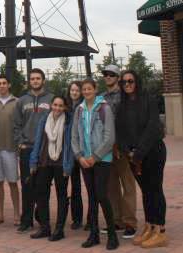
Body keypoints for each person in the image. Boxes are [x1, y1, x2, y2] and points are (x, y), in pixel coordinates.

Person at [116, 70, 167, 248]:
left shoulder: (148, 99)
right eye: (124, 82)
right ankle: (149, 225)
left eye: (130, 81)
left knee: (155, 190)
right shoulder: (122, 105)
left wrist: (138, 152)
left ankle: (160, 231)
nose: (127, 84)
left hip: (153, 152)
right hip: (133, 156)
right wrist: (127, 151)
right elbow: (119, 132)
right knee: (146, 191)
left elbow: (153, 127)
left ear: (136, 81)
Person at [71, 79, 119, 250]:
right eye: (84, 89)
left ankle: (112, 235)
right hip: (84, 160)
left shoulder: (104, 108)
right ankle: (94, 234)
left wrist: (96, 156)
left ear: (95, 89)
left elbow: (109, 137)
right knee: (91, 196)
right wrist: (79, 156)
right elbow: (74, 136)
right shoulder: (79, 110)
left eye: (89, 88)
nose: (86, 91)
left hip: (102, 160)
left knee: (101, 195)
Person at [13, 68, 54, 233]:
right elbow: (16, 124)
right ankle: (26, 220)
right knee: (27, 184)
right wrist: (20, 143)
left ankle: (43, 220)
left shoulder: (51, 99)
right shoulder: (22, 101)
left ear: (43, 80)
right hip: (27, 148)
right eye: (32, 79)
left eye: (38, 78)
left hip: (45, 150)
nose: (35, 81)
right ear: (29, 81)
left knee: (43, 186)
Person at [100, 65, 137, 238]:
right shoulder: (101, 98)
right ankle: (116, 220)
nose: (107, 77)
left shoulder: (125, 96)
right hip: (107, 149)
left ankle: (130, 222)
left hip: (123, 148)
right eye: (105, 74)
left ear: (118, 77)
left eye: (111, 74)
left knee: (128, 185)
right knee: (111, 186)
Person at [29, 96, 73, 241]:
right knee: (42, 194)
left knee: (61, 196)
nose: (57, 108)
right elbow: (38, 141)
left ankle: (59, 229)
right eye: (55, 105)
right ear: (51, 105)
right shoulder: (44, 119)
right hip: (44, 161)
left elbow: (71, 146)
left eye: (61, 106)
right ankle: (45, 227)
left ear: (65, 107)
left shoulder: (68, 121)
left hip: (62, 163)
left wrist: (69, 165)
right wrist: (33, 161)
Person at [0, 75, 20, 226]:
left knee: (13, 182)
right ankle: (0, 215)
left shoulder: (17, 102)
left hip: (11, 148)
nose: (1, 86)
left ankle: (17, 214)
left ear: (9, 84)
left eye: (4, 83)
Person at [65, 81, 86, 230]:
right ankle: (76, 218)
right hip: (69, 152)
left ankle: (91, 219)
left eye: (77, 90)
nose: (74, 92)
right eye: (72, 90)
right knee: (75, 186)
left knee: (89, 187)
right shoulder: (65, 107)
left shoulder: (84, 107)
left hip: (83, 151)